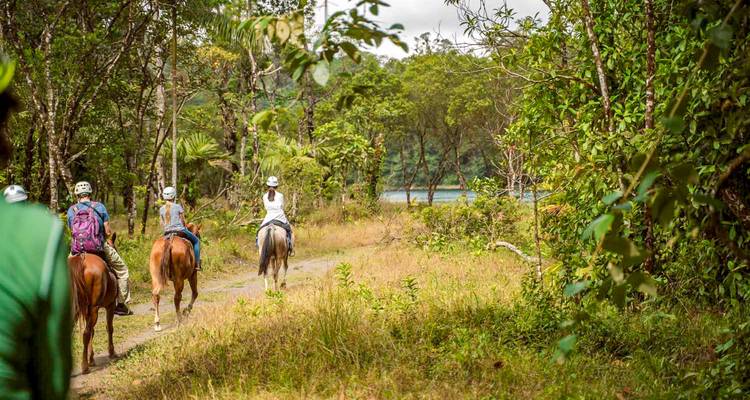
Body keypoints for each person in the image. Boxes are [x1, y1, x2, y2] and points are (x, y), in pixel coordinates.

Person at [0, 62, 72, 399]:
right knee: (120, 268)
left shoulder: (72, 211)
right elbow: (52, 386)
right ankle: (121, 299)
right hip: (89, 248)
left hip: (78, 251)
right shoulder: (38, 231)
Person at [66, 181, 133, 316]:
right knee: (122, 270)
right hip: (98, 247)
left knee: (63, 275)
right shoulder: (100, 207)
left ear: (77, 195)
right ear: (90, 193)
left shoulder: (71, 210)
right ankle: (120, 304)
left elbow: (71, 230)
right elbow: (108, 232)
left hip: (76, 250)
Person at [159, 186, 202, 271]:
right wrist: (185, 227)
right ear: (173, 196)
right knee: (197, 241)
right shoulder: (178, 206)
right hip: (180, 231)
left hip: (167, 233)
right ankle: (197, 264)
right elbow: (182, 221)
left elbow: (161, 223)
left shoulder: (161, 209)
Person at [258, 176, 294, 256]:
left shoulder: (264, 196)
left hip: (268, 217)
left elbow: (266, 208)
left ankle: (258, 246)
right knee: (289, 230)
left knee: (259, 232)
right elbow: (282, 206)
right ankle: (291, 248)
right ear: (276, 186)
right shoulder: (280, 195)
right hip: (280, 217)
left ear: (267, 186)